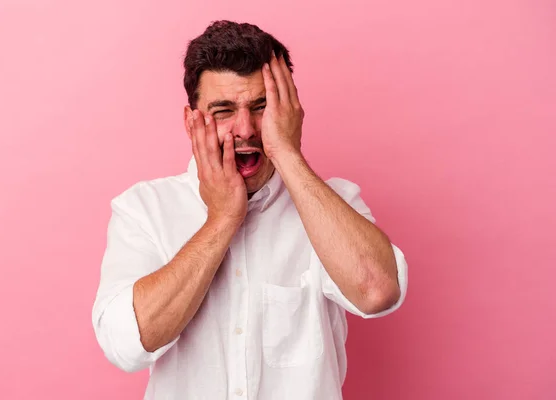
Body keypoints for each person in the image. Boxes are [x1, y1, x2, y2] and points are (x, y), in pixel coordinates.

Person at [91, 20, 408, 400]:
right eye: (223, 110)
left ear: (290, 112)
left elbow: (378, 292)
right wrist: (223, 218)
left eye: (262, 107)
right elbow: (125, 345)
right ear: (191, 121)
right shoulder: (144, 210)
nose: (245, 129)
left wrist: (287, 152)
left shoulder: (335, 203)